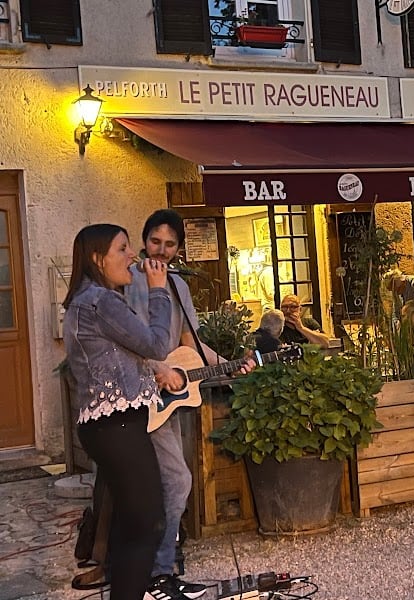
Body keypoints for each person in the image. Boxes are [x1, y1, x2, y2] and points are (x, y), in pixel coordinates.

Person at [126, 210, 240, 600]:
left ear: (179, 248)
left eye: (170, 244)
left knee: (172, 481)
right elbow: (128, 339)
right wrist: (158, 367)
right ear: (144, 240)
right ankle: (158, 573)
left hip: (168, 398)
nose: (161, 250)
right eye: (155, 242)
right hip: (138, 393)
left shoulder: (178, 284)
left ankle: (164, 564)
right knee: (177, 480)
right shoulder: (128, 280)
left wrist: (227, 363)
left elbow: (188, 340)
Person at [63, 224, 173, 600]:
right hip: (118, 425)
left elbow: (121, 356)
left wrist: (156, 374)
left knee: (131, 523)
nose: (133, 256)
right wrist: (159, 291)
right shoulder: (101, 301)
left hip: (108, 426)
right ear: (98, 258)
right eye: (123, 248)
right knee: (148, 522)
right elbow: (156, 343)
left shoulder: (85, 300)